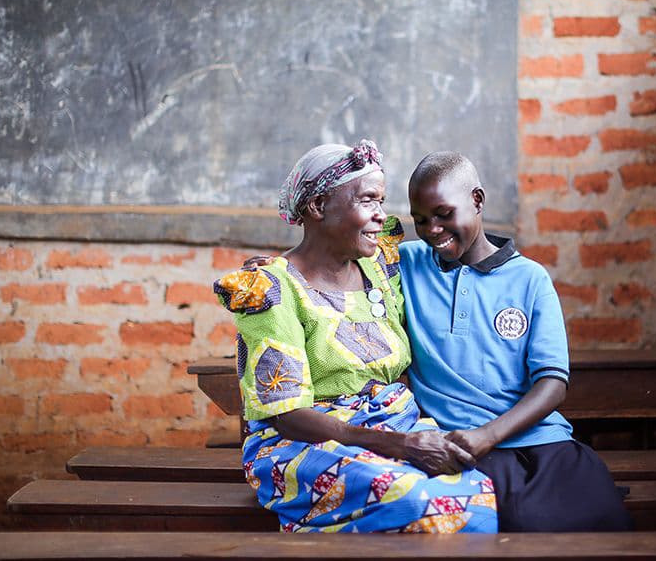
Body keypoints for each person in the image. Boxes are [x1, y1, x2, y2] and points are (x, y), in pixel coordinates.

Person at [212, 141, 497, 533]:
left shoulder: (380, 267)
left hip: (393, 426)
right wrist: (402, 447)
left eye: (382, 201)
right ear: (317, 208)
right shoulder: (274, 291)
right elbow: (290, 418)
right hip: (304, 443)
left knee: (478, 490)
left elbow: (454, 241)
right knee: (409, 496)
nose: (382, 215)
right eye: (368, 201)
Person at [398, 151, 633, 532]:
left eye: (444, 214)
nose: (432, 230)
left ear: (477, 200)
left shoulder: (530, 279)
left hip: (539, 440)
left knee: (604, 524)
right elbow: (336, 256)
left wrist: (488, 435)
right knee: (517, 527)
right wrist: (278, 266)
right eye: (421, 220)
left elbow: (553, 384)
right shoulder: (405, 264)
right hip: (455, 445)